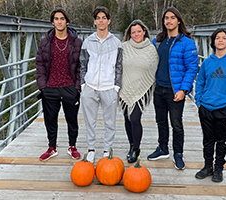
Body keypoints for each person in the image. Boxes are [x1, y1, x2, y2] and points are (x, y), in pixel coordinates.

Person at [147, 7, 198, 170]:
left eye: (172, 18)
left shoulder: (187, 43)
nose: (168, 21)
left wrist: (184, 89)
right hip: (159, 88)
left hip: (175, 90)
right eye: (166, 18)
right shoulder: (158, 41)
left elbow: (192, 68)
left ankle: (178, 154)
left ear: (178, 21)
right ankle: (162, 148)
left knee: (176, 123)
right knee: (160, 121)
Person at [194, 28, 226, 182]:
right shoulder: (207, 63)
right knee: (208, 140)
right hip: (206, 107)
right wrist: (198, 102)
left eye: (224, 38)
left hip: (225, 108)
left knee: (221, 141)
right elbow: (200, 82)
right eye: (217, 38)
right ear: (213, 41)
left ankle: (218, 169)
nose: (220, 40)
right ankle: (207, 166)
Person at [36, 8, 82, 161]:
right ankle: (52, 147)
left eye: (62, 19)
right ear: (52, 22)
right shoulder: (45, 42)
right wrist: (43, 86)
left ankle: (72, 146)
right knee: (50, 119)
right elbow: (40, 64)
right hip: (50, 87)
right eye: (56, 19)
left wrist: (78, 87)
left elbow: (81, 65)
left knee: (72, 119)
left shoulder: (76, 42)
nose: (59, 21)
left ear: (67, 22)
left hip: (70, 86)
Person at [80, 6, 123, 164]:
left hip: (108, 88)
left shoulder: (116, 42)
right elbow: (82, 64)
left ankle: (107, 150)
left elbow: (119, 66)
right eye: (98, 18)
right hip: (90, 87)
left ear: (109, 20)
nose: (101, 20)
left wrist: (116, 87)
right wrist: (83, 85)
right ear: (94, 21)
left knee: (110, 122)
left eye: (104, 17)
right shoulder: (87, 41)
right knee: (89, 121)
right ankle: (91, 149)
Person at [119, 20, 159, 163]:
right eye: (133, 32)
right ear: (129, 34)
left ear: (144, 32)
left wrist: (146, 85)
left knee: (135, 118)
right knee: (127, 119)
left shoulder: (150, 48)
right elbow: (117, 65)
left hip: (141, 89)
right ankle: (131, 145)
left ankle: (136, 148)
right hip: (125, 87)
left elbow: (153, 68)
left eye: (138, 31)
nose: (136, 34)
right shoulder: (123, 47)